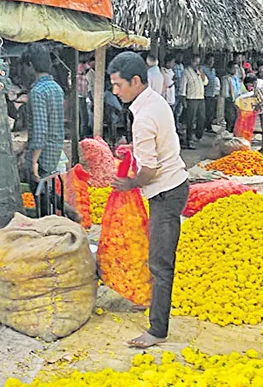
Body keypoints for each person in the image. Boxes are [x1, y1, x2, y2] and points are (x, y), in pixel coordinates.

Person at [108, 52, 189, 349]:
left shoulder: (142, 118)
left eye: (118, 85)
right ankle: (153, 308)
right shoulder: (156, 101)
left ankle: (158, 330)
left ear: (136, 81)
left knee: (160, 264)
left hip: (166, 192)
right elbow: (157, 145)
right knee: (157, 258)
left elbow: (151, 169)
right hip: (174, 185)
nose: (115, 92)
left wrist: (130, 183)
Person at [22, 44, 65, 193]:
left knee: (41, 197)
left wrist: (34, 161)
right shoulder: (56, 88)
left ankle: (69, 214)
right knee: (52, 195)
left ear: (31, 65)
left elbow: (41, 131)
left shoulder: (37, 92)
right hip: (55, 152)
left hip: (43, 157)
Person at [179, 55, 208, 149]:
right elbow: (183, 87)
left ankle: (198, 135)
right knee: (190, 120)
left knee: (202, 118)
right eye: (195, 62)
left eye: (198, 62)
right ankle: (189, 139)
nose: (197, 64)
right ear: (191, 62)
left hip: (201, 98)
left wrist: (201, 73)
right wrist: (184, 100)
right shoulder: (186, 72)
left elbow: (205, 82)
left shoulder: (199, 72)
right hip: (191, 99)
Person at [221, 61, 241, 132]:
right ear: (229, 69)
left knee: (236, 119)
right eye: (233, 68)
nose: (235, 70)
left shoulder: (236, 78)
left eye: (236, 69)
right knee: (230, 119)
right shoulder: (226, 79)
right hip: (230, 101)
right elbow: (225, 93)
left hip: (237, 101)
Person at [77, 56, 94, 137]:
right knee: (84, 119)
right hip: (82, 97)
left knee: (80, 118)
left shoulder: (75, 72)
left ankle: (80, 135)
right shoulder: (86, 72)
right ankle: (83, 136)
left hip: (78, 97)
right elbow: (89, 88)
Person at [202, 55, 218, 134]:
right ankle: (205, 126)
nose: (212, 62)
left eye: (213, 61)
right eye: (210, 60)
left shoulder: (213, 70)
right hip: (205, 93)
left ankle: (209, 126)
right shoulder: (203, 69)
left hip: (212, 93)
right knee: (206, 111)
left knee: (211, 111)